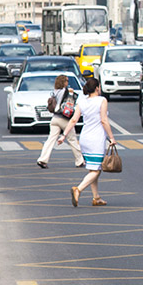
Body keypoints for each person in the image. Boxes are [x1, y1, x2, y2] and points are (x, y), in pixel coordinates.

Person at [57, 78, 116, 207]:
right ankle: (78, 189)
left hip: (84, 138)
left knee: (93, 169)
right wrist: (111, 137)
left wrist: (63, 135)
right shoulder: (102, 100)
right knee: (96, 170)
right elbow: (104, 120)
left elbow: (73, 120)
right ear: (97, 88)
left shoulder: (82, 102)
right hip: (96, 139)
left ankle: (96, 198)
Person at [36, 74, 85, 169]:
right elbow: (71, 100)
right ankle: (79, 161)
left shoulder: (54, 92)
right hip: (64, 119)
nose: (68, 83)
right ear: (63, 82)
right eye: (66, 81)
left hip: (54, 119)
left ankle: (42, 159)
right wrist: (71, 92)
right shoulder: (65, 91)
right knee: (72, 140)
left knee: (50, 140)